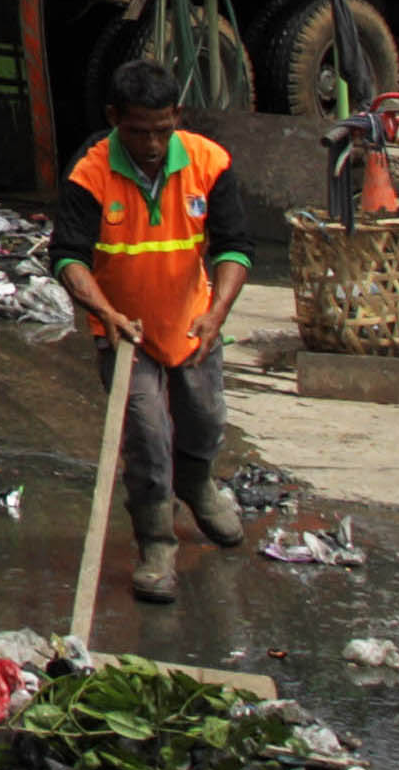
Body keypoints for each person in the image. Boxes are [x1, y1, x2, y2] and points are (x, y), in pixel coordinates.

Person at [48, 56, 260, 602]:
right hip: (123, 330)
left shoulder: (208, 163)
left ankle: (196, 483)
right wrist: (105, 313)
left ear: (177, 117)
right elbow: (68, 257)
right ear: (115, 117)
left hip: (191, 319)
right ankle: (157, 544)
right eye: (138, 131)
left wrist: (217, 314)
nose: (150, 143)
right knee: (145, 434)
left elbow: (235, 245)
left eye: (162, 130)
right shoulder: (90, 173)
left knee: (204, 416)